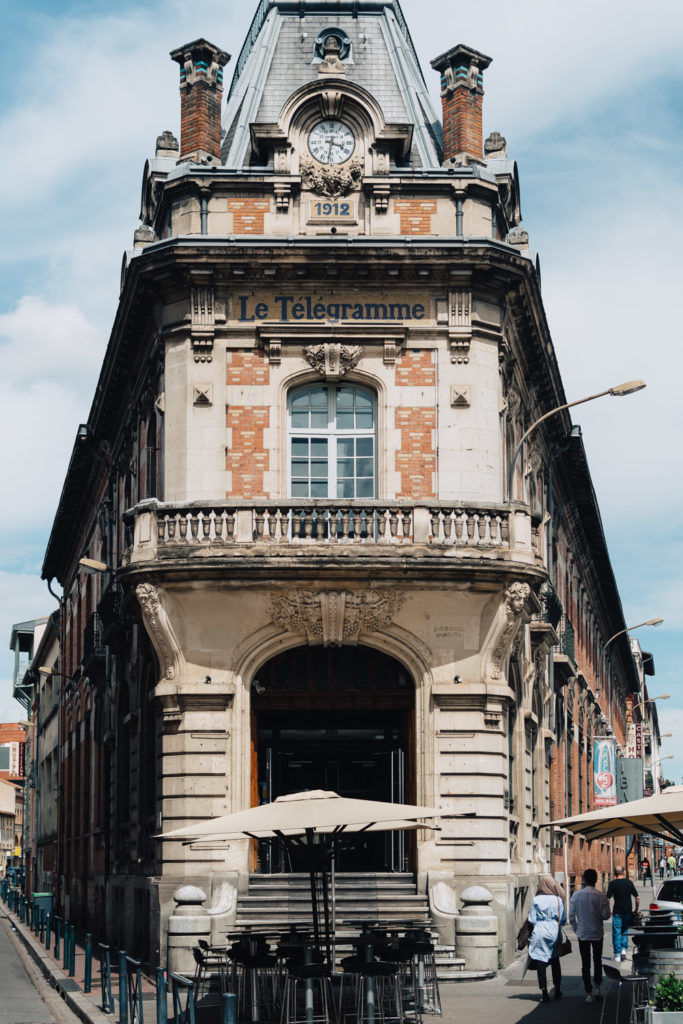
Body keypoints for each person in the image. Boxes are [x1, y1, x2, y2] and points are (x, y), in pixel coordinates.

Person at [569, 867, 611, 1004]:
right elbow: (606, 916)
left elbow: (571, 917)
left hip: (583, 934)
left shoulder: (576, 895)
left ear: (584, 880)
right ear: (596, 880)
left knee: (585, 963)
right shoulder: (601, 896)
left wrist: (577, 930)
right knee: (597, 961)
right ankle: (598, 987)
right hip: (597, 932)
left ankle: (588, 992)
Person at [528, 875, 567, 1002]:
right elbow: (563, 920)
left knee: (541, 961)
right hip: (554, 930)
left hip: (539, 929)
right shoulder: (557, 900)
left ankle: (544, 991)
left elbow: (532, 919)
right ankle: (557, 989)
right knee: (555, 960)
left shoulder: (535, 900)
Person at [607, 866, 640, 962]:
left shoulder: (612, 884)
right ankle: (624, 951)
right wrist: (636, 909)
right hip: (627, 910)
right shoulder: (629, 883)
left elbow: (607, 899)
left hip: (617, 910)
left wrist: (608, 910)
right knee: (625, 930)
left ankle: (617, 955)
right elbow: (637, 897)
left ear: (614, 873)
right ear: (624, 872)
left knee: (617, 931)